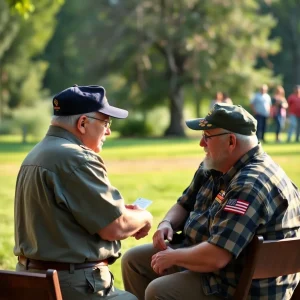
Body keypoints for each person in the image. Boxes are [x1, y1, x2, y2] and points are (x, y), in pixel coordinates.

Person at [121, 103, 300, 300]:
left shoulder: (250, 185)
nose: (201, 143)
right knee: (133, 261)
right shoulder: (217, 164)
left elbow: (217, 256)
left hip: (237, 285)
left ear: (231, 141)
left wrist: (173, 257)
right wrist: (167, 223)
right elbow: (184, 203)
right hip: (214, 265)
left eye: (207, 137)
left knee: (159, 290)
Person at [13, 85, 153, 300]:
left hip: (31, 279)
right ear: (82, 123)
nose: (108, 131)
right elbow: (115, 227)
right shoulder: (76, 158)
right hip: (72, 284)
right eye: (106, 122)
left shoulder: (37, 153)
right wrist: (144, 217)